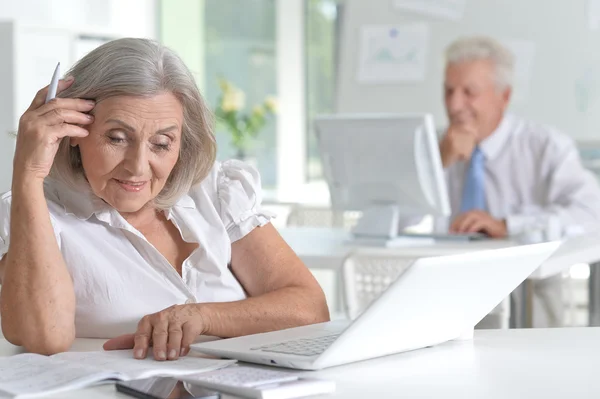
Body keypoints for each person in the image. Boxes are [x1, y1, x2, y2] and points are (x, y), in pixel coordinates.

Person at [0, 38, 329, 359]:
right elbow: (43, 337)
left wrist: (203, 317)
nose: (137, 167)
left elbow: (310, 307)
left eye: (161, 143)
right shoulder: (35, 210)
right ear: (72, 133)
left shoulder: (214, 191)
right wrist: (28, 171)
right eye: (116, 138)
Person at [439, 36, 600, 327]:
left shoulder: (545, 147)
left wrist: (508, 225)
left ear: (504, 96)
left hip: (527, 307)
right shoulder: (437, 148)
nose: (454, 104)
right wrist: (436, 164)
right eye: (448, 91)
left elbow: (592, 213)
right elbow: (393, 226)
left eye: (469, 92)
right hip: (448, 306)